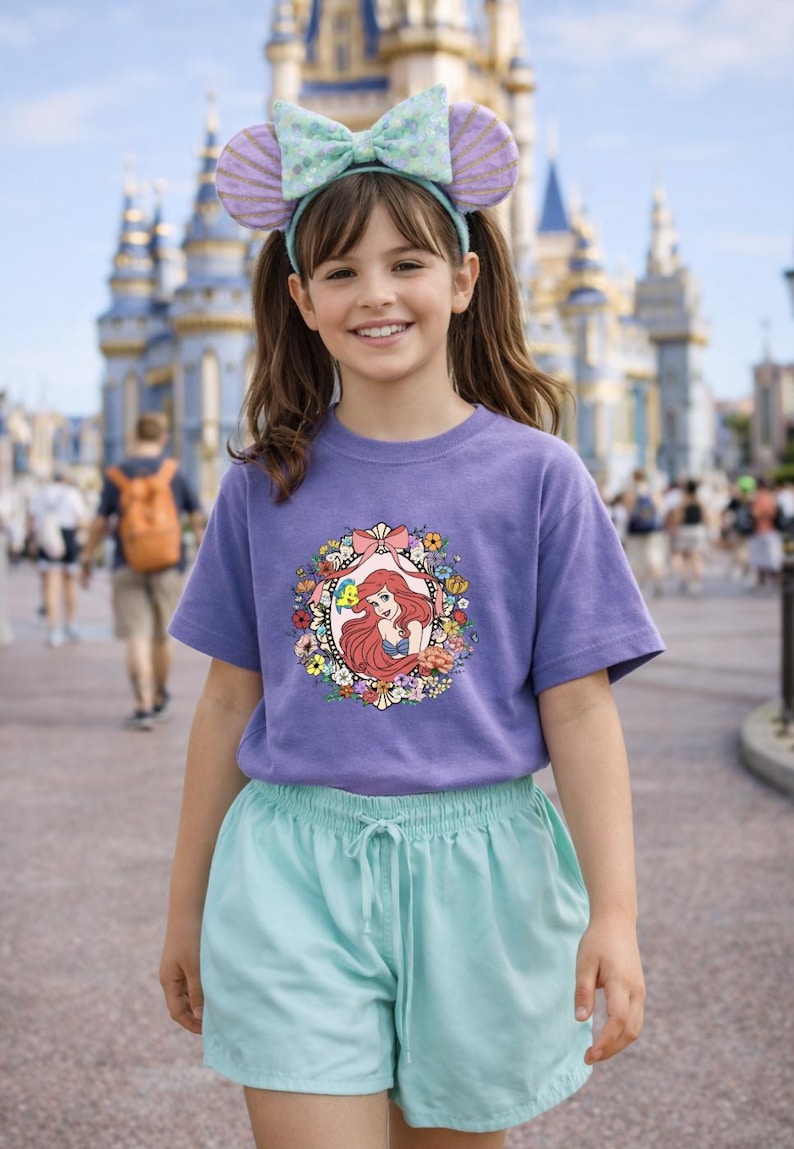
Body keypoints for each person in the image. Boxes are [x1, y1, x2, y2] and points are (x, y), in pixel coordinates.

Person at [159, 86, 664, 1149]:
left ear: (462, 279)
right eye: (339, 271)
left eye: (406, 264)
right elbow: (225, 705)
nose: (374, 295)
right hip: (292, 872)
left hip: (481, 878)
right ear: (300, 299)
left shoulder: (539, 478)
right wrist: (184, 907)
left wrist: (613, 914)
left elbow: (577, 713)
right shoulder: (263, 485)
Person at [80, 411, 204, 730]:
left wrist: (85, 558)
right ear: (163, 438)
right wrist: (205, 558)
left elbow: (99, 522)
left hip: (128, 562)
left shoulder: (116, 474)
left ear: (135, 435)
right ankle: (161, 696)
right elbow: (196, 517)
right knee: (163, 637)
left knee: (136, 636)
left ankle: (143, 703)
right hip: (168, 564)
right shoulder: (173, 471)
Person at [27, 468, 87, 646]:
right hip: (68, 538)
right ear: (66, 478)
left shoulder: (39, 494)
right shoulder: (72, 494)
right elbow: (80, 521)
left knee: (50, 586)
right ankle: (70, 624)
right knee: (69, 584)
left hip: (47, 538)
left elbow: (31, 522)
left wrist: (31, 541)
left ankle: (53, 630)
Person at [622, 468, 666, 597]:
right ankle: (657, 583)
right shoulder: (653, 491)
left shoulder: (630, 492)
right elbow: (660, 508)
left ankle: (638, 588)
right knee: (654, 557)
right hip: (653, 530)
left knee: (635, 559)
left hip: (635, 531)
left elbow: (628, 510)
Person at [670, 478, 709, 594]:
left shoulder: (683, 502)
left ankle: (686, 579)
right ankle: (697, 581)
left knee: (686, 557)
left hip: (685, 530)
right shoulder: (699, 501)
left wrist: (674, 529)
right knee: (697, 557)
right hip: (698, 530)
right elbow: (706, 516)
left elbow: (678, 517)